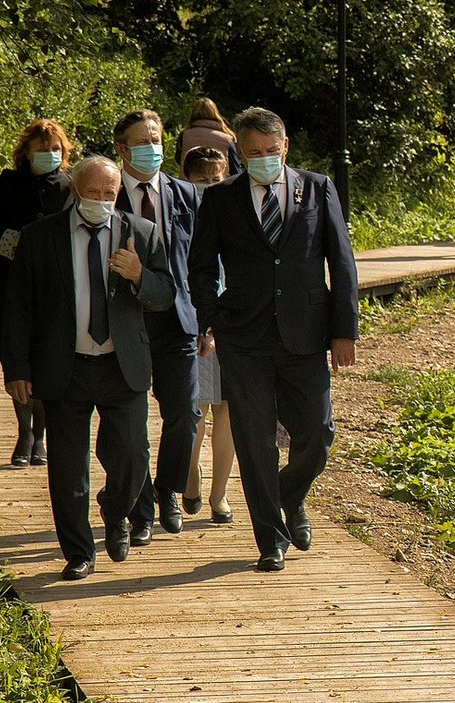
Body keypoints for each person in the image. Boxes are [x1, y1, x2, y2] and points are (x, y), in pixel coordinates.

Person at [188, 107, 359, 573]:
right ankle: (270, 538)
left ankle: (289, 494)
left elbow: (341, 262)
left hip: (306, 334)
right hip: (244, 337)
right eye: (254, 152)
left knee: (317, 434)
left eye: (271, 151)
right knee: (255, 438)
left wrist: (345, 330)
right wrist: (212, 319)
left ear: (285, 147)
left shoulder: (318, 188)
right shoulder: (222, 199)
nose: (264, 158)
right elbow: (200, 266)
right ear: (239, 153)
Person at [0, 155, 174, 581]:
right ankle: (79, 552)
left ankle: (116, 514)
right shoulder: (40, 238)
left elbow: (166, 294)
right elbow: (16, 307)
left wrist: (138, 276)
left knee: (132, 454)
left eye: (109, 194)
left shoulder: (143, 234)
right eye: (93, 192)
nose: (101, 200)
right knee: (67, 467)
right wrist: (15, 368)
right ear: (76, 190)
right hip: (64, 366)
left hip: (122, 364)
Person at [113, 109, 202, 541]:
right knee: (132, 422)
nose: (152, 149)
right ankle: (140, 505)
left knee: (183, 412)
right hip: (126, 322)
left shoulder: (185, 194)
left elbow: (205, 262)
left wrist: (209, 319)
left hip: (179, 320)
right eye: (142, 141)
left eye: (157, 139)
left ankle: (169, 491)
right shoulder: (106, 195)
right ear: (122, 149)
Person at [0, 117, 75, 467]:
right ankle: (24, 432)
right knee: (16, 355)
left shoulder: (70, 185)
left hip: (56, 287)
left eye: (55, 149)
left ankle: (41, 437)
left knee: (49, 357)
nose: (49, 154)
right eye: (42, 149)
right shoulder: (7, 184)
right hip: (12, 282)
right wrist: (15, 244)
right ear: (27, 151)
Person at [180, 146, 235, 524]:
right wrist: (202, 326)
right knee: (195, 412)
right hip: (193, 327)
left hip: (231, 326)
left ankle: (221, 495)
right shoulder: (180, 217)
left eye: (216, 179)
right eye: (201, 181)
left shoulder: (237, 214)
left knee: (227, 412)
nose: (210, 186)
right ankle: (191, 478)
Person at [178, 97, 240, 174]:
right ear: (215, 113)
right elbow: (234, 167)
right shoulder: (227, 138)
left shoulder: (184, 134)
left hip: (188, 182)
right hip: (218, 182)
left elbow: (178, 158)